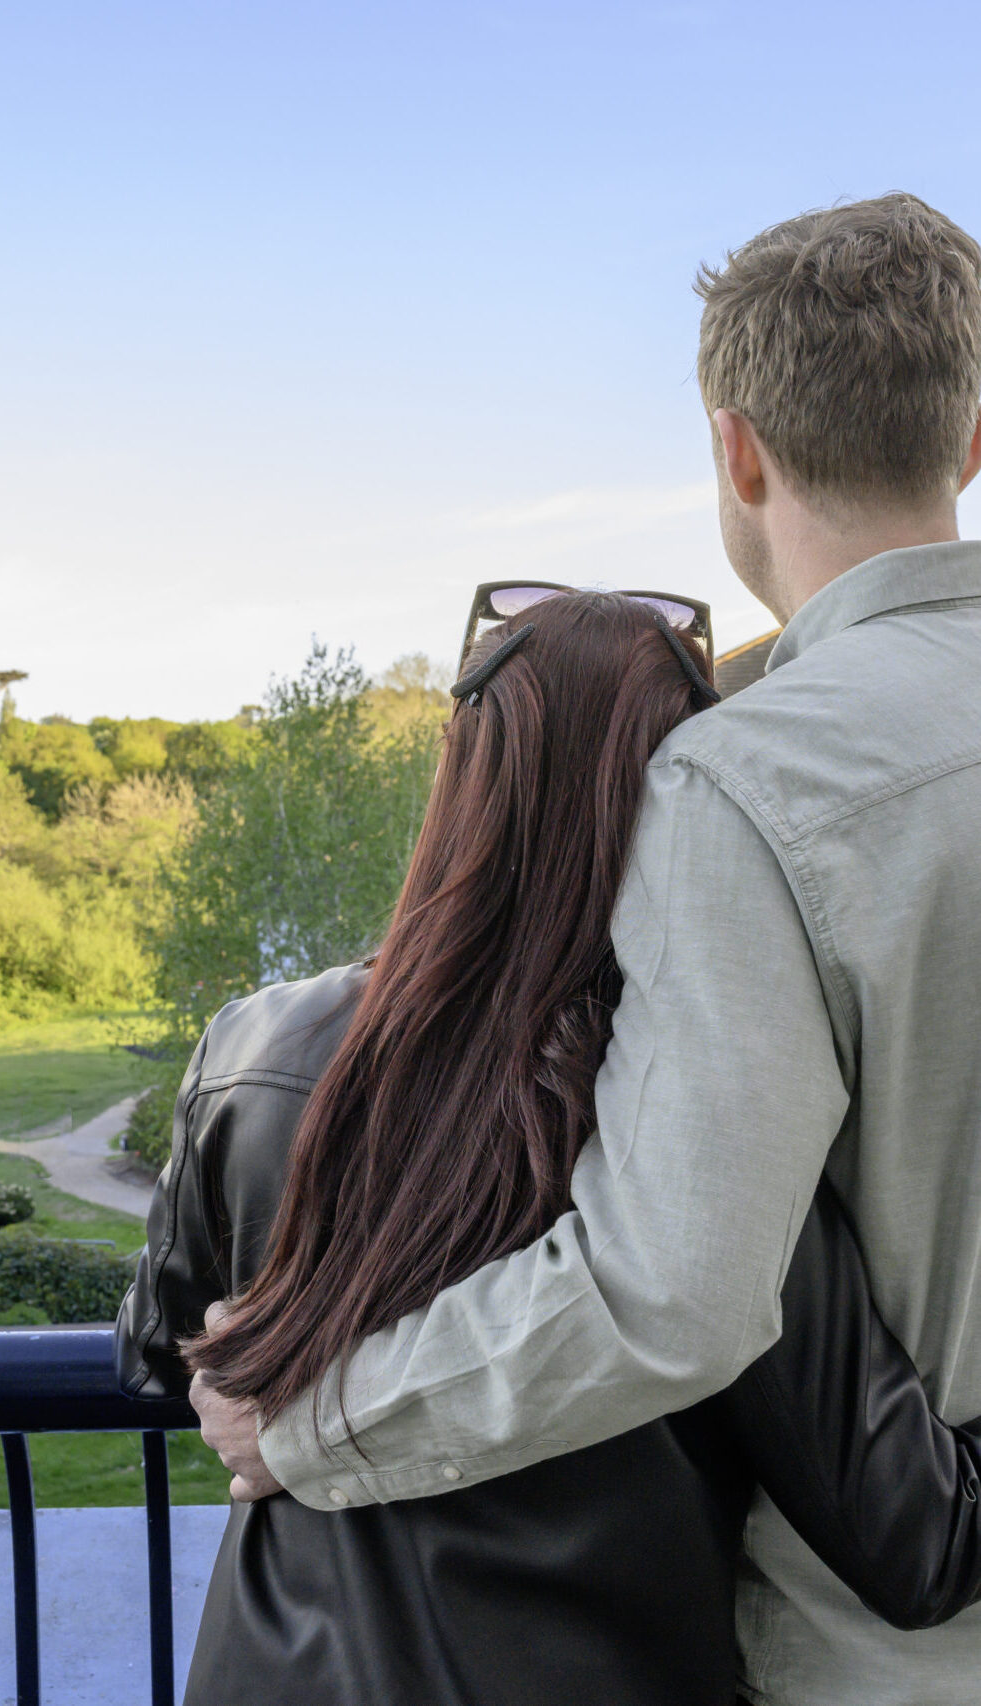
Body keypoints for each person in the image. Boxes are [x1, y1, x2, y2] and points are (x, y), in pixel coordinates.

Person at [184, 193, 981, 1706]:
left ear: (734, 451)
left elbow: (673, 1291)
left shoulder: (752, 780)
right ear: (970, 437)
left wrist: (305, 1418)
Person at [119, 590, 981, 1705]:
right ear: (678, 792)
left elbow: (151, 1354)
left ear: (458, 769)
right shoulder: (691, 1123)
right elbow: (920, 1539)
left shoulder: (255, 1047)